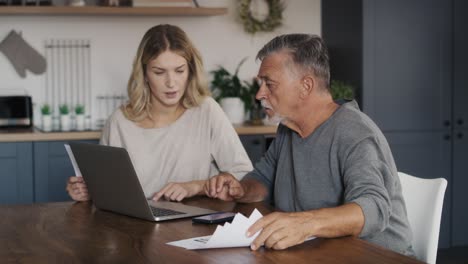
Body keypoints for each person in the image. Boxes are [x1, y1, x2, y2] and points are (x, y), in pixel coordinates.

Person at [204, 34, 415, 256]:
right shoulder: (287, 130)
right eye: (261, 83)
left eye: (270, 84)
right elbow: (264, 179)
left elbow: (373, 209)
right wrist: (241, 189)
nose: (259, 94)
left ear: (306, 86)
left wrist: (305, 223)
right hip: (318, 254)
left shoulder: (355, 132)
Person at [66, 24, 253, 202]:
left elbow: (243, 176)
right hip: (135, 226)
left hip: (196, 224)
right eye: (159, 72)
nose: (171, 82)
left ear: (190, 71)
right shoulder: (119, 122)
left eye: (179, 71)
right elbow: (107, 189)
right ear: (145, 74)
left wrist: (196, 186)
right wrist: (88, 192)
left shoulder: (206, 110)